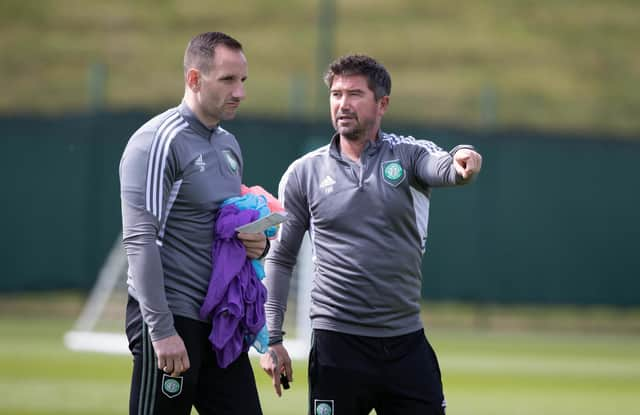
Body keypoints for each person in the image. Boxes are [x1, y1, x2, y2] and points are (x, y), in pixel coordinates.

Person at [260, 54, 483, 415]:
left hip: (405, 344)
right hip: (337, 347)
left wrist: (465, 158)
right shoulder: (304, 173)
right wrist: (273, 338)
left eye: (355, 94)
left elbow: (445, 165)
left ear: (382, 104)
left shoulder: (407, 155)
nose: (343, 104)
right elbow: (281, 258)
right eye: (336, 94)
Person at [119, 32, 267, 415]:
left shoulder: (228, 145)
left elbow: (220, 227)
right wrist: (162, 330)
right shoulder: (158, 141)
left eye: (243, 81)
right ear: (194, 80)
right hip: (172, 318)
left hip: (219, 322)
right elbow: (140, 239)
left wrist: (258, 243)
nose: (240, 92)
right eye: (228, 80)